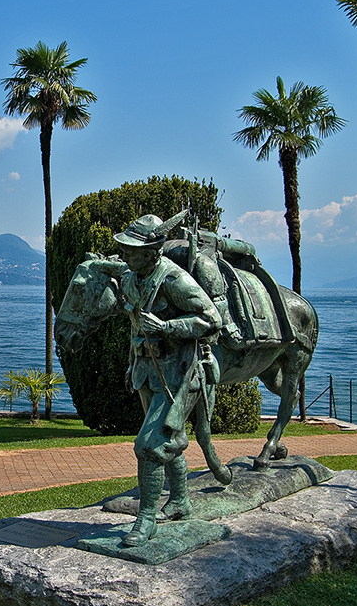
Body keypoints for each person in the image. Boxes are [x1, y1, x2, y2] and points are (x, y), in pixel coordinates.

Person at [113, 214, 223, 547]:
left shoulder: (175, 280)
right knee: (171, 441)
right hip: (148, 372)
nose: (124, 255)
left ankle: (145, 519)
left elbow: (211, 319)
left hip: (180, 374)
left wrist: (166, 328)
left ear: (152, 251)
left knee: (149, 445)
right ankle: (180, 502)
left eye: (131, 250)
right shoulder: (131, 279)